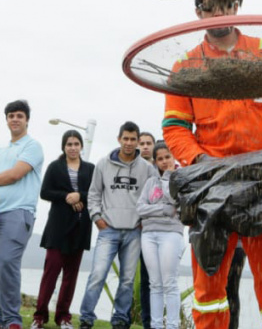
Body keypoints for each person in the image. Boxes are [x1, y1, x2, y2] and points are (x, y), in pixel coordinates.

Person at [162, 0, 262, 329]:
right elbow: (175, 127)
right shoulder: (185, 65)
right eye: (208, 7)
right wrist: (200, 163)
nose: (217, 13)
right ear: (198, 11)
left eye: (224, 5)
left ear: (236, 6)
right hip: (209, 190)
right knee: (209, 292)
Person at [79, 121, 158, 329]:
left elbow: (154, 198)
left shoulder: (147, 169)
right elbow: (94, 193)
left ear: (138, 142)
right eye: (126, 138)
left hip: (134, 232)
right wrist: (97, 218)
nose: (129, 143)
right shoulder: (103, 164)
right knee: (98, 274)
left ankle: (120, 319)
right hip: (108, 230)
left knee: (127, 279)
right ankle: (86, 318)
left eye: (133, 139)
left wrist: (144, 221)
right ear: (119, 139)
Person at [0, 100, 45, 329]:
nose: (15, 119)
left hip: (18, 213)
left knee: (8, 263)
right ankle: (3, 318)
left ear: (26, 120)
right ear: (6, 120)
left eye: (19, 115)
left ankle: (13, 320)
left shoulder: (32, 147)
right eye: (11, 116)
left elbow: (15, 175)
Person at [31, 130, 94, 329]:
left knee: (70, 276)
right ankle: (39, 316)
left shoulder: (91, 169)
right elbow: (45, 192)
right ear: (63, 147)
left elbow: (96, 192)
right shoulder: (55, 167)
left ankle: (63, 317)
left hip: (80, 227)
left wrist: (80, 196)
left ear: (81, 146)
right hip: (57, 228)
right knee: (51, 272)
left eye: (76, 144)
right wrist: (68, 197)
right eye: (69, 144)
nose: (73, 147)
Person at [136, 143, 184, 329]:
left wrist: (168, 177)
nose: (164, 162)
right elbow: (140, 208)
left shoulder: (180, 179)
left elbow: (174, 202)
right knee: (155, 284)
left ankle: (172, 325)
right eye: (160, 159)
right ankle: (155, 326)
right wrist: (162, 209)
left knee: (169, 283)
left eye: (167, 157)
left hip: (171, 234)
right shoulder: (150, 182)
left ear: (173, 158)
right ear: (155, 162)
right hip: (148, 235)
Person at [136, 131, 157, 329]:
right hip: (135, 229)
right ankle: (145, 323)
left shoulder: (163, 167)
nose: (144, 146)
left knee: (155, 279)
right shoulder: (133, 169)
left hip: (158, 231)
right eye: (141, 143)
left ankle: (156, 322)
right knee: (137, 279)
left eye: (148, 143)